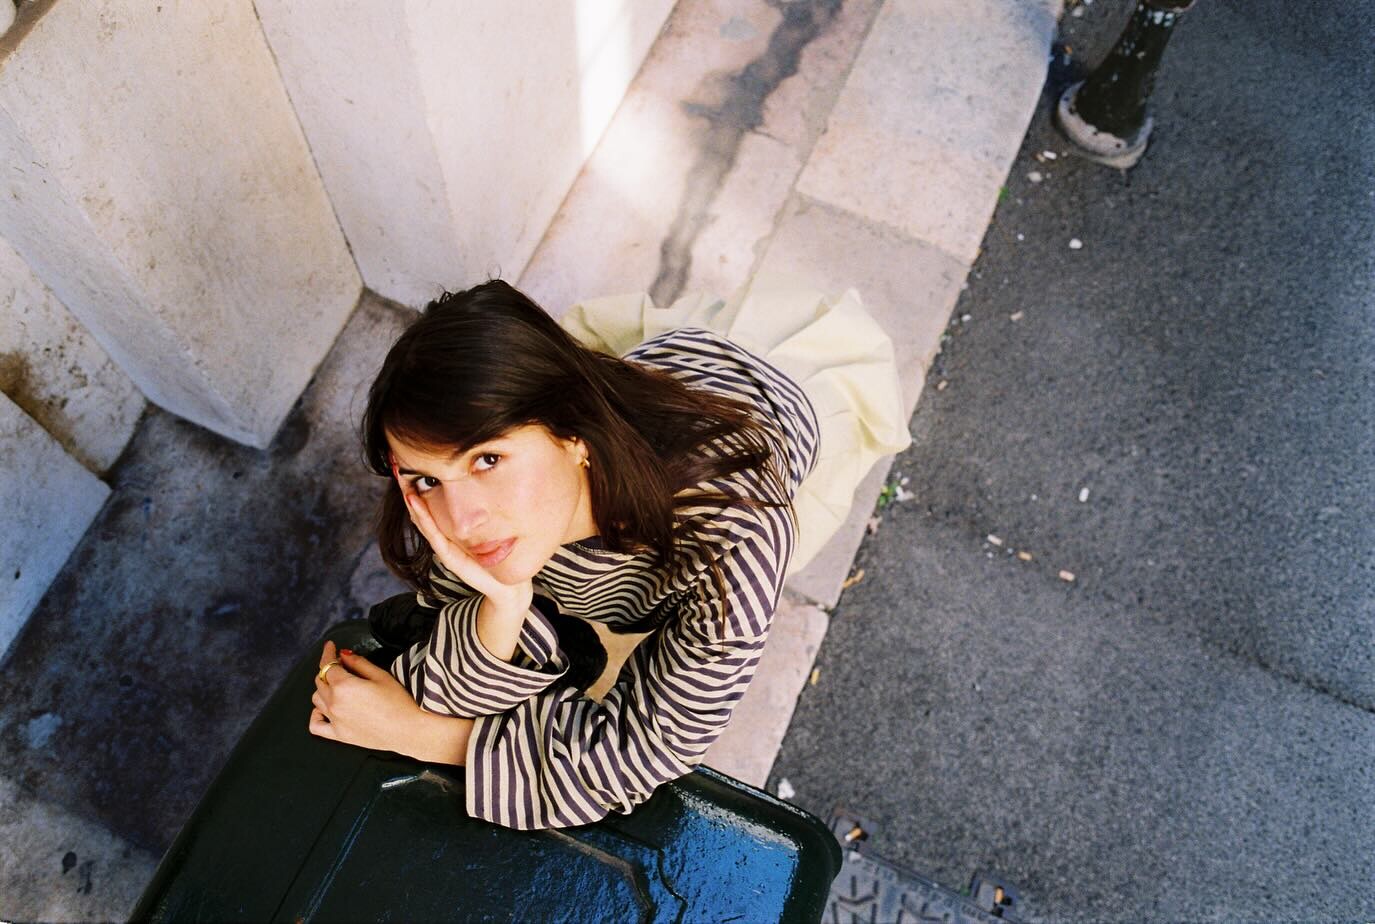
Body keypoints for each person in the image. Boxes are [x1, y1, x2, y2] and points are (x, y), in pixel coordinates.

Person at [307, 276, 909, 830]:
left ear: (574, 434)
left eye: (488, 459)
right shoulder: (460, 504)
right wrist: (502, 606)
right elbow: (447, 663)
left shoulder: (737, 531)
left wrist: (422, 735)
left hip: (773, 405)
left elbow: (647, 748)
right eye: (426, 478)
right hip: (655, 384)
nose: (462, 521)